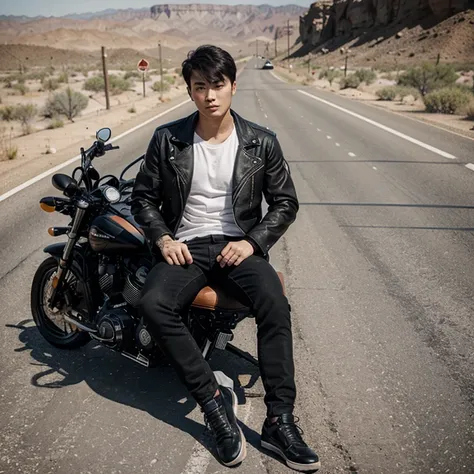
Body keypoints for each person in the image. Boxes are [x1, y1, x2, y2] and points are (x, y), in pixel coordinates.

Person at [131, 45, 320, 472]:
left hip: (239, 246)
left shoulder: (261, 142)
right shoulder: (168, 139)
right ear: (190, 92)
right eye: (200, 87)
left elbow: (285, 204)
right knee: (153, 303)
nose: (210, 96)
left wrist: (253, 242)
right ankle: (214, 404)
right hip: (187, 246)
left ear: (234, 86)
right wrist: (162, 237)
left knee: (275, 303)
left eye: (218, 85)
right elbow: (142, 197)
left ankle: (280, 420)